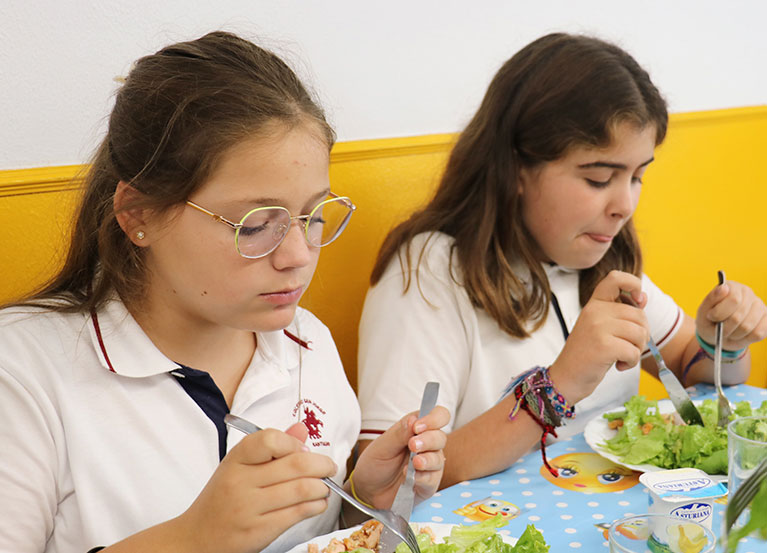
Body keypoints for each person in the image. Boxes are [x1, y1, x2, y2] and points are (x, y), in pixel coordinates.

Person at [0, 31, 449, 553]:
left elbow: (312, 541)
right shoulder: (24, 374)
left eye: (314, 215)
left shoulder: (307, 345)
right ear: (139, 214)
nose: (299, 254)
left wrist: (359, 499)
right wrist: (193, 538)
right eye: (257, 225)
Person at [356, 33, 767, 488]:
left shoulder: (601, 253)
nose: (624, 205)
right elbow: (393, 482)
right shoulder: (428, 273)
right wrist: (558, 385)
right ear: (514, 169)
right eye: (597, 178)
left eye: (637, 177)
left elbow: (695, 366)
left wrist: (722, 340)